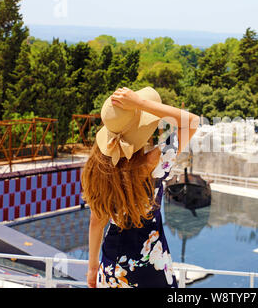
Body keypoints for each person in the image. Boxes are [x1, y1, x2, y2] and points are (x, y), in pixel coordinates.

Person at [82, 86, 199, 288]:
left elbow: (96, 221)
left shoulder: (98, 169)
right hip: (152, 266)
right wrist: (140, 103)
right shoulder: (154, 163)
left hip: (113, 268)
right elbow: (192, 122)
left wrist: (92, 268)